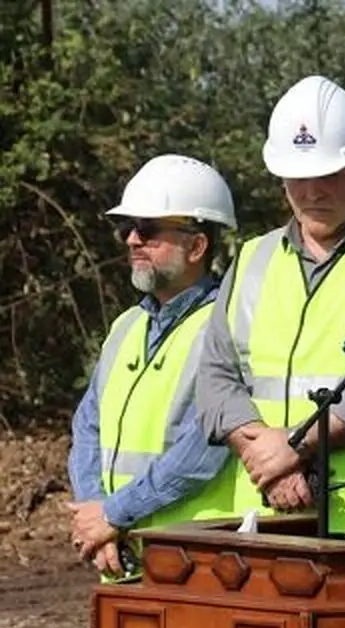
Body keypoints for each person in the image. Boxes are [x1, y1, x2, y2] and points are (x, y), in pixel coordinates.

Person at [196, 74, 345, 535]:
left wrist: (295, 447)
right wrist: (268, 454)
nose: (313, 191)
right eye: (299, 177)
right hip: (259, 514)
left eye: (329, 174)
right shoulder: (252, 258)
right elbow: (216, 375)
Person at [67, 154, 239, 583]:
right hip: (120, 555)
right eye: (127, 229)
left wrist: (112, 513)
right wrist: (96, 518)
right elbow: (88, 427)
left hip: (197, 564)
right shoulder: (126, 325)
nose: (130, 241)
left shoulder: (230, 324)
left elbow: (204, 448)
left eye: (147, 230)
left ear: (197, 246)